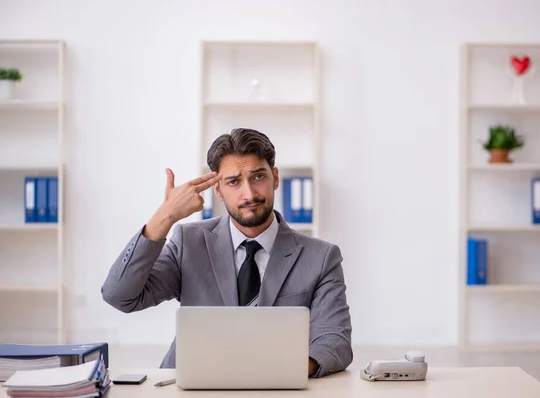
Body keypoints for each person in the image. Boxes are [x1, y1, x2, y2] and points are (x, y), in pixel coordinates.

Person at [101, 128, 353, 378]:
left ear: (275, 178)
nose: (250, 194)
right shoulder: (188, 243)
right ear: (218, 191)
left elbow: (334, 341)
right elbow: (120, 296)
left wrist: (274, 372)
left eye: (258, 177)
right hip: (193, 384)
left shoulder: (321, 257)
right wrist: (165, 217)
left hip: (277, 386)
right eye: (234, 182)